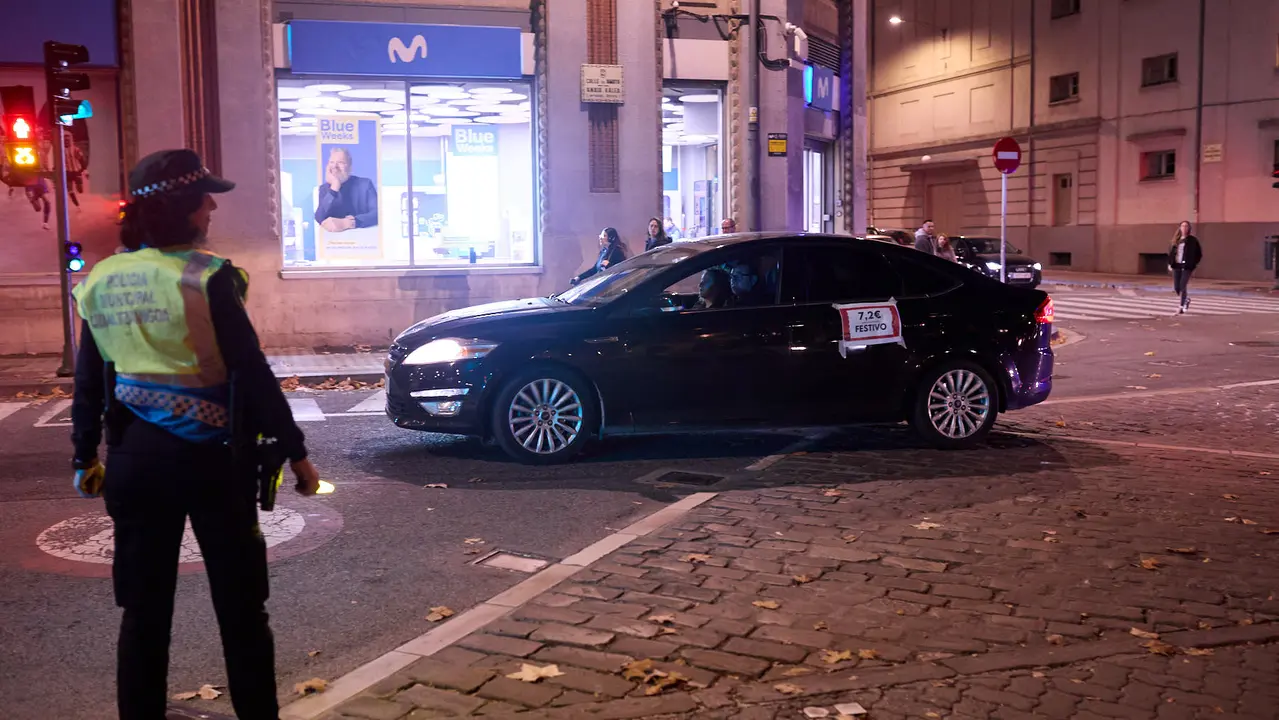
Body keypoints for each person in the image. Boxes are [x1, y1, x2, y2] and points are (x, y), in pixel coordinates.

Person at [70, 148, 320, 720]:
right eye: (205, 196)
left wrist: (84, 455)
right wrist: (297, 453)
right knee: (241, 612)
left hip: (134, 460)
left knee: (143, 614)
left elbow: (90, 381)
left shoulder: (101, 280)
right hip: (212, 462)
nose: (212, 205)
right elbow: (251, 373)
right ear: (182, 208)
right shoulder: (207, 277)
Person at [314, 147, 378, 232]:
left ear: (350, 167)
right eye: (332, 162)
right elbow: (320, 218)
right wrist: (334, 187)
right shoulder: (324, 189)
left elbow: (377, 213)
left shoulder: (365, 184)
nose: (335, 167)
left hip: (363, 238)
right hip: (333, 241)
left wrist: (348, 223)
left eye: (340, 162)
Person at [1168, 220, 1203, 314]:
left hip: (1187, 266)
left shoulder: (1192, 240)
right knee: (1177, 287)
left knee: (1183, 286)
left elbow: (1199, 254)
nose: (1184, 228)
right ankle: (1186, 299)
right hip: (1176, 265)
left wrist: (1193, 264)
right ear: (1180, 228)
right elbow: (1171, 253)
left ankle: (1181, 306)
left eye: (1186, 226)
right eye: (1182, 226)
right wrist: (1170, 263)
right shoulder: (1176, 239)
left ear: (1189, 228)